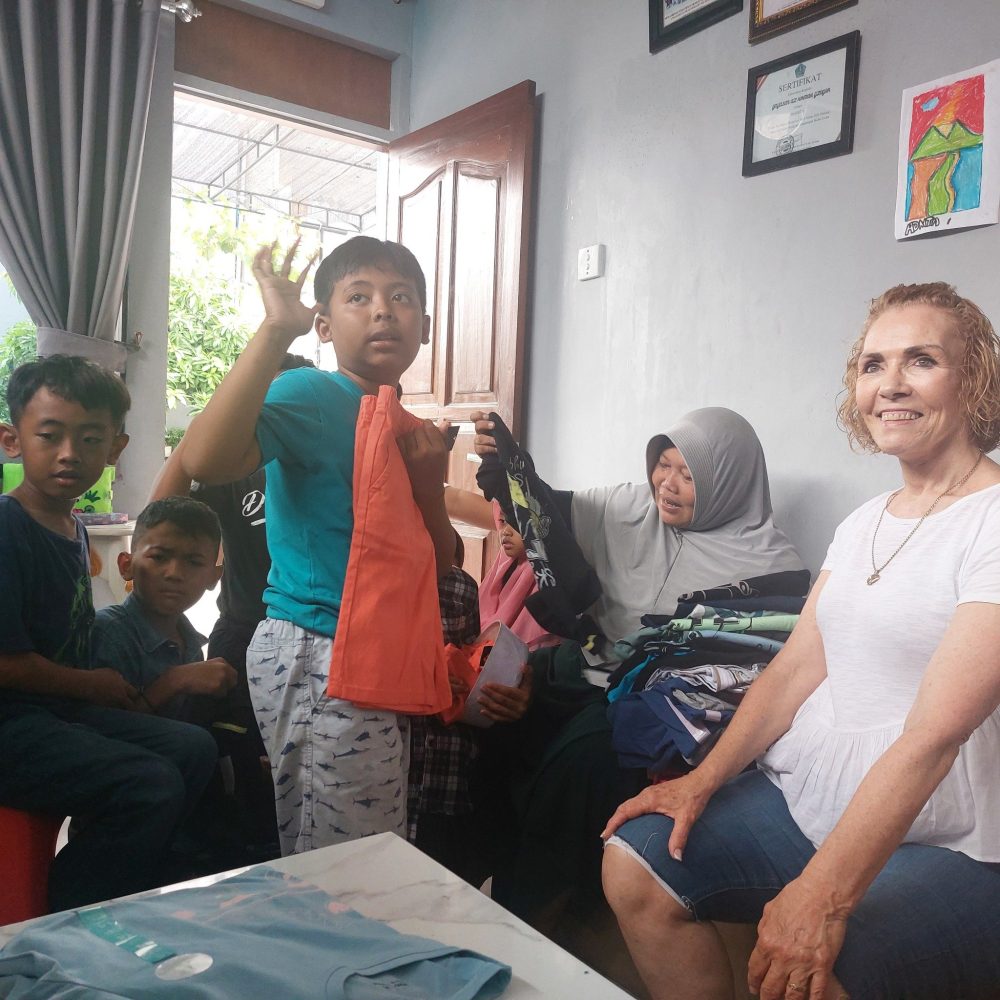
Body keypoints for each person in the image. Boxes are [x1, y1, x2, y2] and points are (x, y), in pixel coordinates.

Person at [602, 283, 1000, 1000]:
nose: (890, 384)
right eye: (873, 365)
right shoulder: (865, 520)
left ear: (972, 380)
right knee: (634, 869)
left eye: (921, 360)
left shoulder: (992, 522)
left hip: (951, 827)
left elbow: (933, 737)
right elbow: (792, 671)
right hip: (823, 787)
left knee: (808, 978)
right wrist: (699, 781)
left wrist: (823, 895)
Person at [471, 406, 805, 930]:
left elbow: (756, 671)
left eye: (688, 475)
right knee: (490, 722)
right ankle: (485, 873)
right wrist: (508, 466)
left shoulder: (770, 567)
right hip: (585, 663)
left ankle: (533, 914)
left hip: (651, 702)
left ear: (727, 484)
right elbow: (546, 516)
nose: (666, 484)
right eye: (662, 465)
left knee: (579, 765)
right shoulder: (630, 508)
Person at [180, 236, 455, 855]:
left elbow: (440, 565)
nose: (382, 309)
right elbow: (206, 460)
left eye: (401, 297)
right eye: (359, 297)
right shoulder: (311, 395)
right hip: (320, 649)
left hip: (376, 656)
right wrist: (277, 331)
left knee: (368, 844)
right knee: (343, 857)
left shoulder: (407, 425)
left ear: (425, 325)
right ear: (324, 326)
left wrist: (429, 488)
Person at [0, 355, 217, 911]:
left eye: (90, 438)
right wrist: (90, 683)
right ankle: (69, 918)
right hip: (11, 723)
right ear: (12, 440)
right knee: (148, 783)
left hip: (53, 712)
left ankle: (140, 884)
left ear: (115, 449)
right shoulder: (7, 526)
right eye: (50, 435)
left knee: (193, 747)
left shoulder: (71, 525)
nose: (69, 453)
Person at [148, 354, 315, 853]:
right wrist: (202, 429)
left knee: (307, 768)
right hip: (243, 635)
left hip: (318, 640)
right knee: (235, 768)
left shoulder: (329, 470)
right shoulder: (238, 471)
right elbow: (160, 514)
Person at [91, 497, 235, 719]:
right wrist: (173, 681)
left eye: (194, 562)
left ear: (214, 577)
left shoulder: (190, 643)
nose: (174, 573)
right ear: (126, 565)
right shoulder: (108, 632)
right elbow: (102, 729)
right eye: (158, 557)